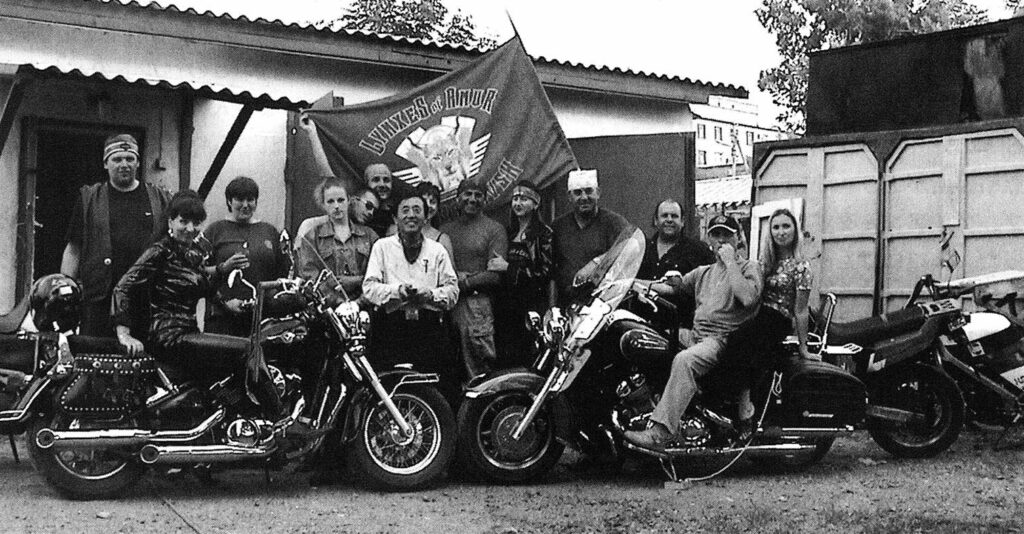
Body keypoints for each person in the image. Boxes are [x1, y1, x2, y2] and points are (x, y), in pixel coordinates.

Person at [112, 191, 275, 403]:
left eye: (196, 223)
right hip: (168, 335)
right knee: (250, 348)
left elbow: (206, 287)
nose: (190, 229)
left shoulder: (194, 253)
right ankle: (278, 415)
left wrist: (228, 304)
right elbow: (123, 287)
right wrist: (124, 334)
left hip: (189, 331)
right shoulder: (160, 252)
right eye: (183, 221)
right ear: (170, 221)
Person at [624, 213, 761, 451]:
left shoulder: (750, 267)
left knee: (684, 361)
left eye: (727, 235)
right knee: (645, 339)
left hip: (721, 339)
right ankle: (639, 407)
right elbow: (670, 288)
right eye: (716, 234)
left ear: (738, 238)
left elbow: (748, 298)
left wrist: (730, 262)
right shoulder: (704, 272)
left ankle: (661, 432)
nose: (721, 240)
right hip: (695, 335)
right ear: (708, 239)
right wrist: (629, 283)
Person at [61, 133, 172, 336]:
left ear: (138, 163)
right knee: (94, 353)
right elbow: (74, 248)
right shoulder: (89, 199)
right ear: (106, 163)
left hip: (146, 299)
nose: (124, 164)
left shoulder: (160, 198)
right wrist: (66, 287)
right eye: (117, 159)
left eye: (130, 159)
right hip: (99, 299)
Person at [721, 208, 815, 438]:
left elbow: (801, 309)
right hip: (758, 314)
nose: (781, 232)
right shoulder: (766, 261)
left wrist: (803, 347)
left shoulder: (801, 267)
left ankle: (746, 408)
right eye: (776, 227)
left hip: (778, 319)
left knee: (739, 342)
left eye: (786, 226)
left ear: (795, 230)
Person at [362, 191, 459, 385]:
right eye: (405, 211)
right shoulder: (382, 247)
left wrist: (430, 295)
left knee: (433, 386)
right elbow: (369, 288)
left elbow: (453, 291)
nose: (411, 215)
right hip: (391, 328)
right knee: (390, 385)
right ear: (395, 218)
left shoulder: (437, 250)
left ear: (426, 217)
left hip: (429, 327)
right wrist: (397, 291)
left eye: (417, 210)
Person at [203, 176, 291, 336]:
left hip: (263, 321)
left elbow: (283, 274)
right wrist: (224, 269)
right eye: (239, 199)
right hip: (222, 320)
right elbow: (199, 273)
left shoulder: (270, 232)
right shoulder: (215, 231)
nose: (245, 205)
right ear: (229, 201)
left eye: (250, 199)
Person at [440, 179, 508, 379]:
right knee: (450, 366)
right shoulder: (445, 230)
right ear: (457, 198)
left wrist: (464, 282)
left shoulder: (494, 229)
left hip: (476, 306)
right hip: (447, 305)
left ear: (485, 200)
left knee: (479, 369)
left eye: (478, 195)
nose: (472, 199)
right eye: (467, 194)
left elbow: (494, 276)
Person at [494, 180, 553, 367]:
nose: (518, 203)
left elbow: (545, 273)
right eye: (515, 199)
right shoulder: (507, 232)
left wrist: (509, 268)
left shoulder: (544, 234)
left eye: (524, 199)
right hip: (506, 306)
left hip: (530, 307)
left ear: (535, 204)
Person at [551, 169, 629, 306]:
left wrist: (596, 263)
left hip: (603, 305)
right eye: (577, 193)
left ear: (598, 193)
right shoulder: (558, 226)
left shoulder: (615, 223)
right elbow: (551, 272)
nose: (584, 197)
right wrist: (551, 308)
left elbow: (629, 248)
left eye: (588, 191)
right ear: (569, 197)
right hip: (567, 305)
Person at [637, 199, 715, 329]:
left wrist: (634, 282)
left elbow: (711, 286)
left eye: (674, 216)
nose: (669, 220)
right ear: (656, 221)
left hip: (679, 328)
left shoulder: (699, 250)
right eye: (664, 215)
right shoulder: (642, 249)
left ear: (682, 221)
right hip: (640, 324)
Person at [296, 178, 378, 299]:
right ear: (323, 205)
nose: (336, 206)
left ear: (349, 200)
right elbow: (310, 276)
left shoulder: (370, 236)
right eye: (330, 201)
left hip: (364, 306)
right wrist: (336, 301)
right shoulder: (312, 236)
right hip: (327, 307)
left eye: (341, 200)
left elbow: (378, 274)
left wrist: (357, 284)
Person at [385, 182, 454, 260]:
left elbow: (449, 267)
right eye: (424, 201)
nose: (428, 205)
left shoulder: (443, 239)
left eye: (432, 202)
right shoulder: (394, 230)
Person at [363, 163, 396, 238]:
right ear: (367, 183)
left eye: (386, 180)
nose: (382, 185)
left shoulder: (396, 213)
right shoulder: (361, 213)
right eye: (376, 180)